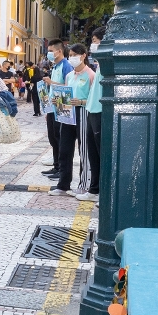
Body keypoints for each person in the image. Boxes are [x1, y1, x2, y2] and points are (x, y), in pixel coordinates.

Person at [50, 44, 94, 197]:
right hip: (67, 114)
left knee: (84, 150)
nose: (72, 58)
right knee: (64, 149)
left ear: (83, 55)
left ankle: (84, 184)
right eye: (70, 55)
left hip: (83, 112)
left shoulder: (90, 75)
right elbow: (65, 93)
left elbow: (94, 98)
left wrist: (81, 102)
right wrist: (58, 100)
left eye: (75, 55)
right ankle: (63, 184)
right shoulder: (69, 76)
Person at [40, 40, 73, 175]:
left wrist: (51, 82)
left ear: (59, 51)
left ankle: (62, 169)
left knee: (60, 138)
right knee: (53, 137)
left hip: (61, 106)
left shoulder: (66, 66)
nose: (49, 54)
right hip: (53, 107)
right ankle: (56, 165)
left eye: (51, 51)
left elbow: (69, 86)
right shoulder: (55, 66)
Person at [80, 52, 104, 203]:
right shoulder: (99, 65)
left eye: (95, 42)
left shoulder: (108, 63)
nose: (93, 46)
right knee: (93, 155)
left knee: (102, 155)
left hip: (100, 111)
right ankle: (94, 189)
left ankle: (104, 192)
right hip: (91, 110)